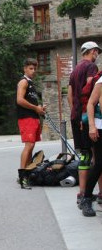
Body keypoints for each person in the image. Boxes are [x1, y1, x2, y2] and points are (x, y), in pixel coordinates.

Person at [68, 41, 102, 204]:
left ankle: (82, 193)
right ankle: (99, 194)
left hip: (76, 115)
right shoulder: (91, 68)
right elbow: (89, 92)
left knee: (85, 154)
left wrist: (76, 114)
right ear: (93, 51)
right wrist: (86, 119)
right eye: (97, 52)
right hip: (87, 117)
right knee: (97, 158)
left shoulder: (74, 70)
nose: (97, 55)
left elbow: (70, 95)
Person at [16, 58, 46, 189]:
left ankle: (27, 174)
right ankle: (22, 176)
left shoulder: (31, 83)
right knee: (29, 145)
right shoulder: (23, 82)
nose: (33, 71)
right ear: (25, 69)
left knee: (32, 146)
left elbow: (30, 101)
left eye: (34, 68)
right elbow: (20, 100)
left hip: (33, 117)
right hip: (26, 117)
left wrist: (40, 108)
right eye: (30, 68)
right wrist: (35, 108)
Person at [79, 74, 102, 216]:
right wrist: (92, 126)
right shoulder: (101, 81)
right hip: (100, 128)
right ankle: (86, 199)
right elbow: (90, 103)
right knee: (99, 164)